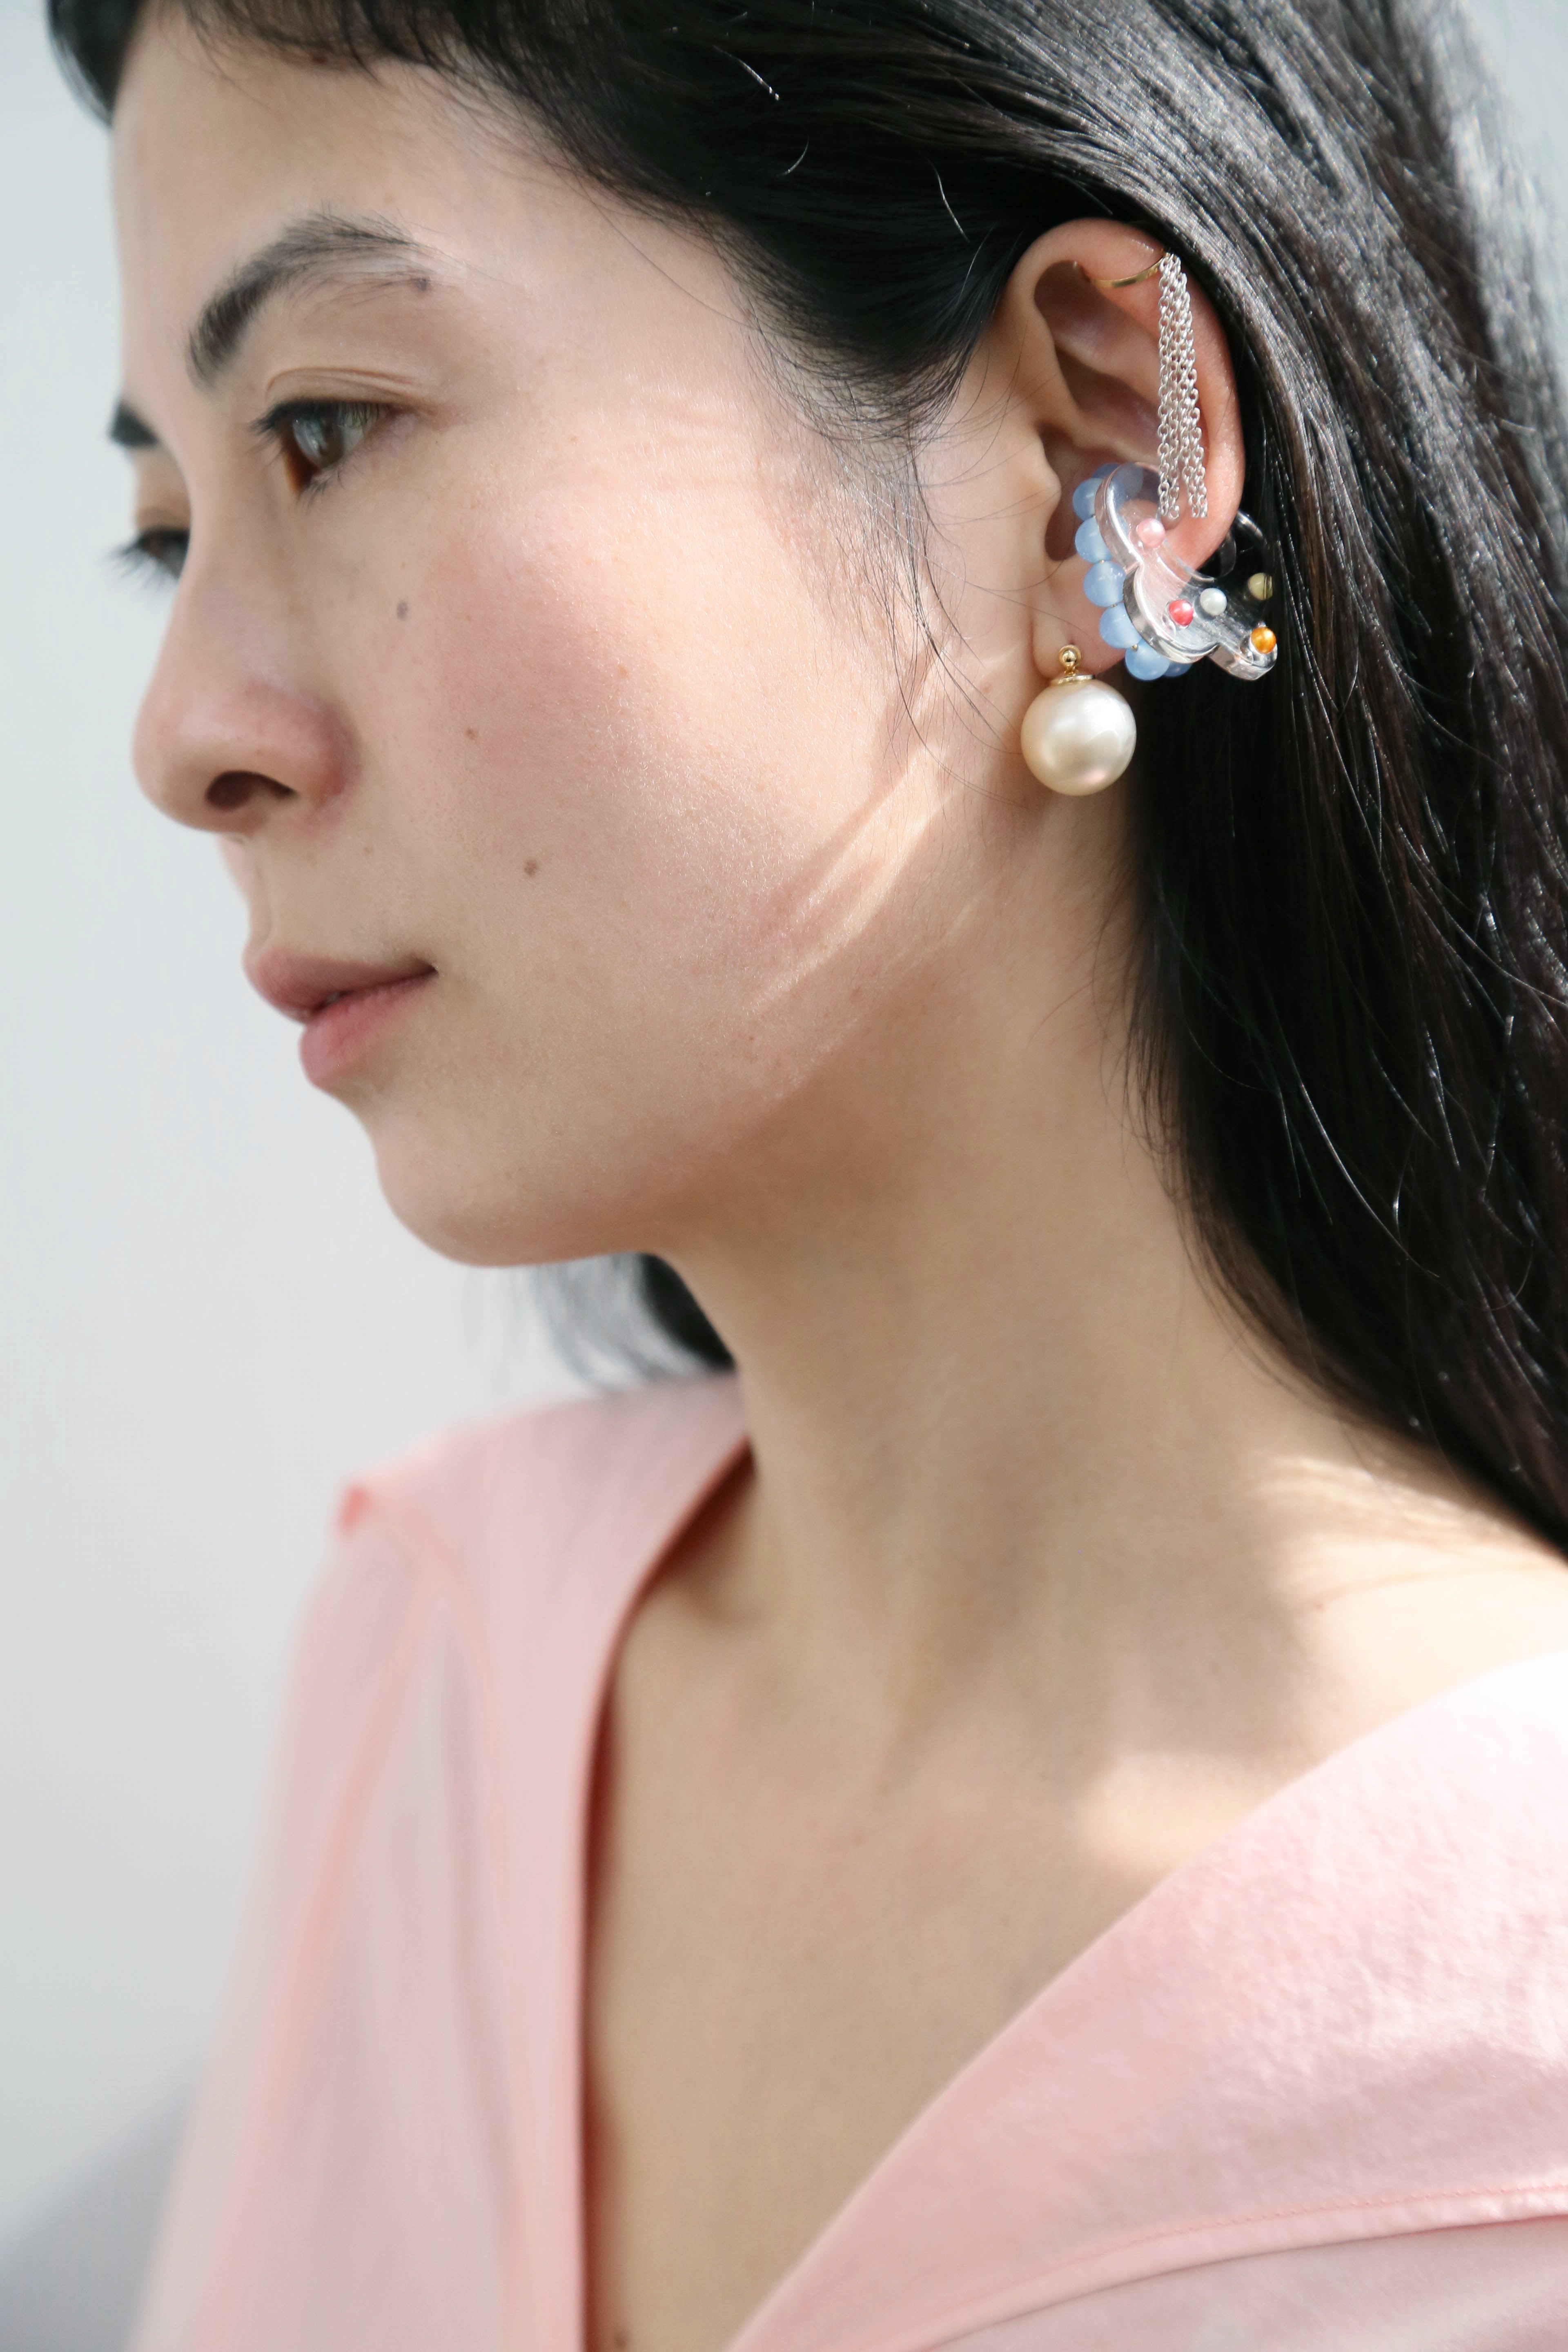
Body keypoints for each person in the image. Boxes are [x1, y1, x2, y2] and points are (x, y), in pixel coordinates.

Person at [48, 0, 1568, 2340]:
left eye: (328, 432)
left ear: (1098, 435)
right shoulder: (442, 1649)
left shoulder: (1511, 2083)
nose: (185, 737)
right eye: (172, 538)